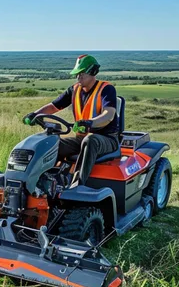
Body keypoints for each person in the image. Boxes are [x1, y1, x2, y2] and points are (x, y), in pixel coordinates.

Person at [23, 54, 119, 188]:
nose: (78, 77)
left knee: (90, 141)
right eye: (77, 74)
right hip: (81, 139)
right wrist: (35, 114)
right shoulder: (74, 90)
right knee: (52, 144)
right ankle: (43, 182)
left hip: (107, 140)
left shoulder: (106, 89)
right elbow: (53, 106)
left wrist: (90, 124)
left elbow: (108, 115)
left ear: (92, 72)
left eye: (81, 74)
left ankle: (77, 184)